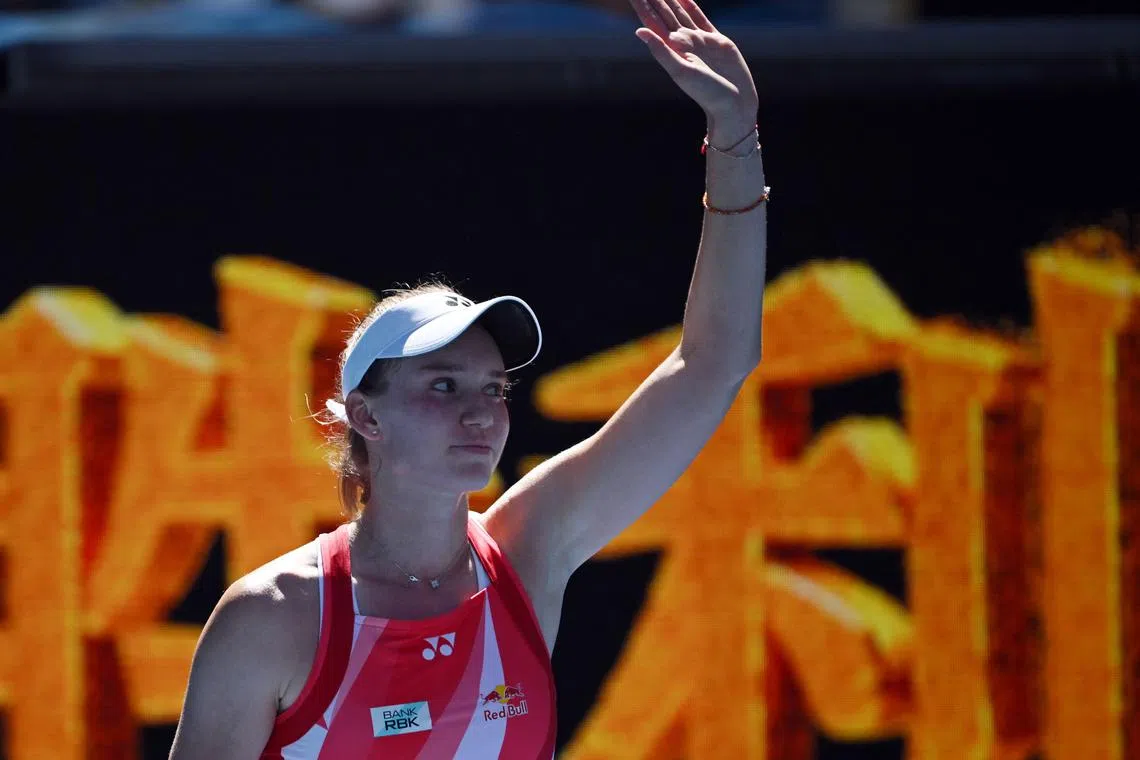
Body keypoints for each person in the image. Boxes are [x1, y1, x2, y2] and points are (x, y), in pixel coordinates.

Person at [169, 0, 767, 756]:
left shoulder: (528, 550)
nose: (481, 414)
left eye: (493, 389)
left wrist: (735, 138)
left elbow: (713, 363)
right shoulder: (272, 617)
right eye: (443, 387)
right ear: (366, 416)